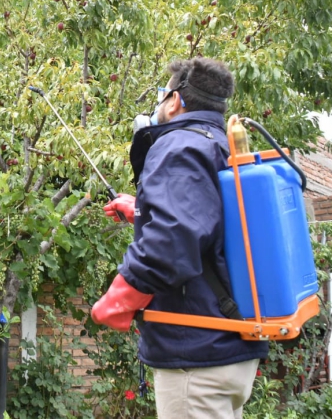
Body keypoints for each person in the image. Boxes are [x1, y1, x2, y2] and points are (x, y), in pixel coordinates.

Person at [91, 57, 268, 419]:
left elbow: (172, 242)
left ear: (175, 100)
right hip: (225, 345)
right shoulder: (217, 143)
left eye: (161, 95)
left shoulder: (179, 146)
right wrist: (141, 209)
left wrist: (119, 298)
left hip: (196, 356)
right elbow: (206, 220)